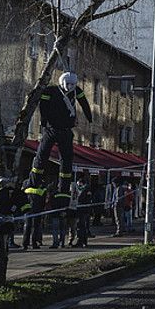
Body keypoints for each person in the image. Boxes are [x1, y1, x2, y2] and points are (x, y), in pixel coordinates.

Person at [28, 71, 93, 228]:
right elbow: (42, 105)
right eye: (68, 85)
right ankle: (34, 182)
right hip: (51, 129)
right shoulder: (50, 90)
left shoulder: (76, 90)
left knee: (66, 160)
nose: (70, 88)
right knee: (42, 155)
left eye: (72, 85)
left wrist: (89, 117)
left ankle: (63, 188)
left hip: (65, 130)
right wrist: (44, 121)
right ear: (62, 82)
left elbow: (84, 103)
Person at [49, 179, 72, 248]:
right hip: (64, 214)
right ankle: (62, 243)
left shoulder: (54, 194)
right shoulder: (68, 194)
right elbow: (70, 204)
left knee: (55, 229)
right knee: (63, 229)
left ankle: (55, 243)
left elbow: (52, 204)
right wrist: (65, 212)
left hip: (55, 214)